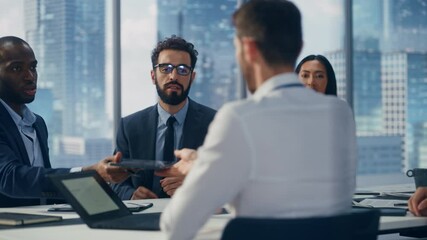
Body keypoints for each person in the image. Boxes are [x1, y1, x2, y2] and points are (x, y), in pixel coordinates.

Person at [159, 1, 357, 239]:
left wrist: (202, 170)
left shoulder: (239, 117)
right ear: (299, 47)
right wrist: (208, 161)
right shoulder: (340, 113)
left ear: (249, 49)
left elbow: (176, 226)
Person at [0, 36, 128, 207]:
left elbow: (44, 189)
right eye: (16, 68)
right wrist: (87, 173)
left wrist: (103, 202)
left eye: (33, 67)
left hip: (39, 226)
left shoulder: (37, 123)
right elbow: (11, 177)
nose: (30, 76)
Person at [110, 35, 216, 200]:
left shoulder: (215, 123)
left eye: (182, 70)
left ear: (192, 77)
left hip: (195, 216)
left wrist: (194, 186)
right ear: (153, 76)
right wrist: (132, 195)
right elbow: (116, 180)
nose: (173, 76)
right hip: (143, 217)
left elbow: (230, 177)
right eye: (165, 68)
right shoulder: (130, 126)